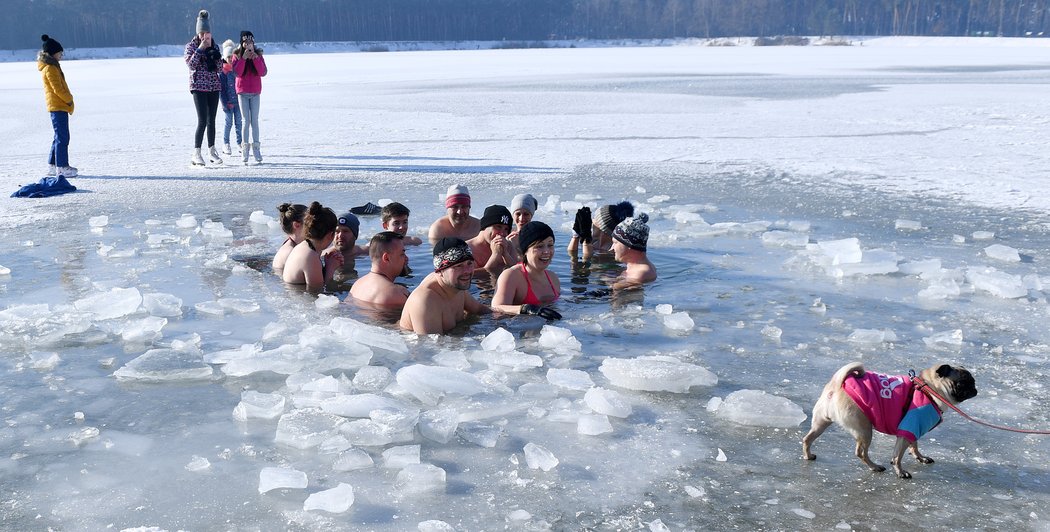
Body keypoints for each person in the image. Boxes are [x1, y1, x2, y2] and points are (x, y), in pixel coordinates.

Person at [399, 238, 491, 334]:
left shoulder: (455, 285)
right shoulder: (426, 300)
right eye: (458, 266)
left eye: (469, 263)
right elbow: (430, 347)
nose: (467, 271)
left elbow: (481, 310)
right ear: (440, 271)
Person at [492, 221, 562, 320]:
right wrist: (525, 309)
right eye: (539, 246)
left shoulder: (553, 277)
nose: (547, 251)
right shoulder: (511, 276)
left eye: (550, 245)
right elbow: (496, 308)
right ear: (525, 251)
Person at [185, 10, 224, 167]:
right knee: (202, 120)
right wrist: (200, 49)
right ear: (198, 33)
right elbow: (191, 64)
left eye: (207, 33)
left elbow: (220, 68)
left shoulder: (215, 46)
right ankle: (196, 152)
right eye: (202, 33)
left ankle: (212, 150)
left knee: (212, 120)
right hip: (198, 87)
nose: (205, 36)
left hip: (214, 86)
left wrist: (216, 57)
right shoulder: (191, 46)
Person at [38, 34, 77, 178]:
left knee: (58, 136)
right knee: (63, 137)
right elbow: (57, 89)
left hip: (57, 105)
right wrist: (69, 99)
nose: (61, 55)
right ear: (53, 53)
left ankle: (53, 165)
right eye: (60, 53)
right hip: (58, 105)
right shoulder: (50, 68)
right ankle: (62, 167)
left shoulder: (52, 67)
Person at [282, 202, 344, 290]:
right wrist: (331, 267)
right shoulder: (311, 256)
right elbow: (319, 292)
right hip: (302, 301)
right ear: (330, 235)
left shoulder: (303, 247)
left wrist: (328, 263)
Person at [231, 30, 267, 165]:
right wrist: (243, 59)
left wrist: (256, 58)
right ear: (242, 43)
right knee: (246, 121)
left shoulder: (258, 54)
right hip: (242, 92)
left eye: (251, 42)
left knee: (255, 121)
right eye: (246, 42)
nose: (249, 45)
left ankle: (256, 148)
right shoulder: (236, 55)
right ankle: (245, 149)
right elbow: (237, 73)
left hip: (256, 92)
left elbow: (263, 72)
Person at [348, 231, 411, 308]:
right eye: (402, 254)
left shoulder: (357, 285)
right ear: (386, 258)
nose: (406, 258)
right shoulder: (394, 294)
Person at [568, 201, 634, 259]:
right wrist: (575, 235)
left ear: (604, 229)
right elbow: (572, 254)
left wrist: (586, 240)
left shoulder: (613, 247)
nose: (592, 220)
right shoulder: (593, 237)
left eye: (595, 218)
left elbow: (587, 260)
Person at [466, 205, 516, 276]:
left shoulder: (508, 246)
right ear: (485, 226)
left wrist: (506, 255)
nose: (502, 233)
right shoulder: (467, 249)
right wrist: (495, 255)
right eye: (498, 227)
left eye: (506, 229)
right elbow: (470, 278)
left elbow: (519, 273)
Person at [611, 213, 657, 287]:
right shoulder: (635, 268)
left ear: (628, 244)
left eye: (615, 243)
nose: (612, 247)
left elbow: (618, 290)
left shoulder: (640, 273)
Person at [218, 39, 242, 156]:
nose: (230, 60)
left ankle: (240, 143)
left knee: (239, 123)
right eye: (228, 57)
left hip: (238, 102)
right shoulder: (223, 72)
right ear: (224, 58)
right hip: (228, 103)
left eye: (231, 57)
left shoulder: (237, 70)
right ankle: (226, 143)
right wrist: (224, 103)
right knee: (229, 123)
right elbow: (221, 90)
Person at [272, 203, 307, 271]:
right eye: (309, 222)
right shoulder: (291, 253)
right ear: (296, 225)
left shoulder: (293, 244)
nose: (314, 225)